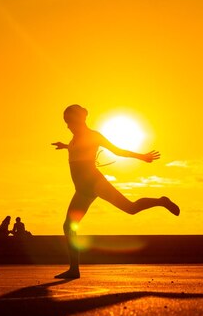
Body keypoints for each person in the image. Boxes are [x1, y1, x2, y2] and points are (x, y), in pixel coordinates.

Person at [52, 104, 180, 279]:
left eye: (68, 121)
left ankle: (161, 201)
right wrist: (65, 146)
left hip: (94, 183)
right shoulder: (73, 139)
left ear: (77, 119)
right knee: (68, 226)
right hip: (82, 190)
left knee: (131, 208)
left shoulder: (93, 136)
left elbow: (118, 151)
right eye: (65, 122)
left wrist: (141, 156)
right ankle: (74, 269)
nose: (67, 125)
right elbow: (78, 150)